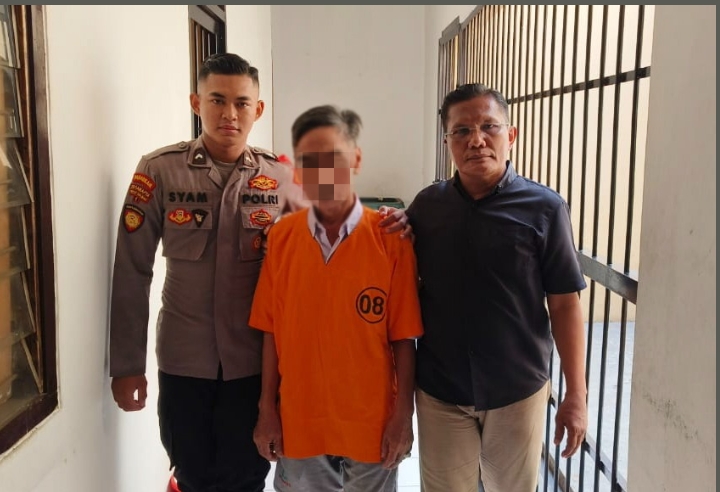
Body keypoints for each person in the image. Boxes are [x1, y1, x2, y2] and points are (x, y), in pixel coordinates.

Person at [108, 54, 407, 492]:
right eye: (217, 100)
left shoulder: (280, 176)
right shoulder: (160, 170)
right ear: (196, 103)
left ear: (258, 109)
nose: (229, 114)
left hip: (253, 363)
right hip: (184, 358)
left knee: (248, 474)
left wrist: (394, 223)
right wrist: (128, 365)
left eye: (242, 103)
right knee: (190, 469)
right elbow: (132, 270)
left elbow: (333, 230)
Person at [406, 83, 588, 492]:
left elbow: (564, 305)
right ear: (448, 142)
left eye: (489, 126)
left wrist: (576, 394)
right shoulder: (427, 207)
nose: (476, 140)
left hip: (516, 388)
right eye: (461, 130)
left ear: (511, 134)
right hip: (441, 389)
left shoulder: (545, 209)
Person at [249, 105, 424, 492]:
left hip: (371, 424)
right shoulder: (282, 239)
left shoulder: (390, 239)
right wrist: (267, 408)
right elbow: (270, 331)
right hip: (300, 420)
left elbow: (403, 337)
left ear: (356, 159)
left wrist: (403, 417)